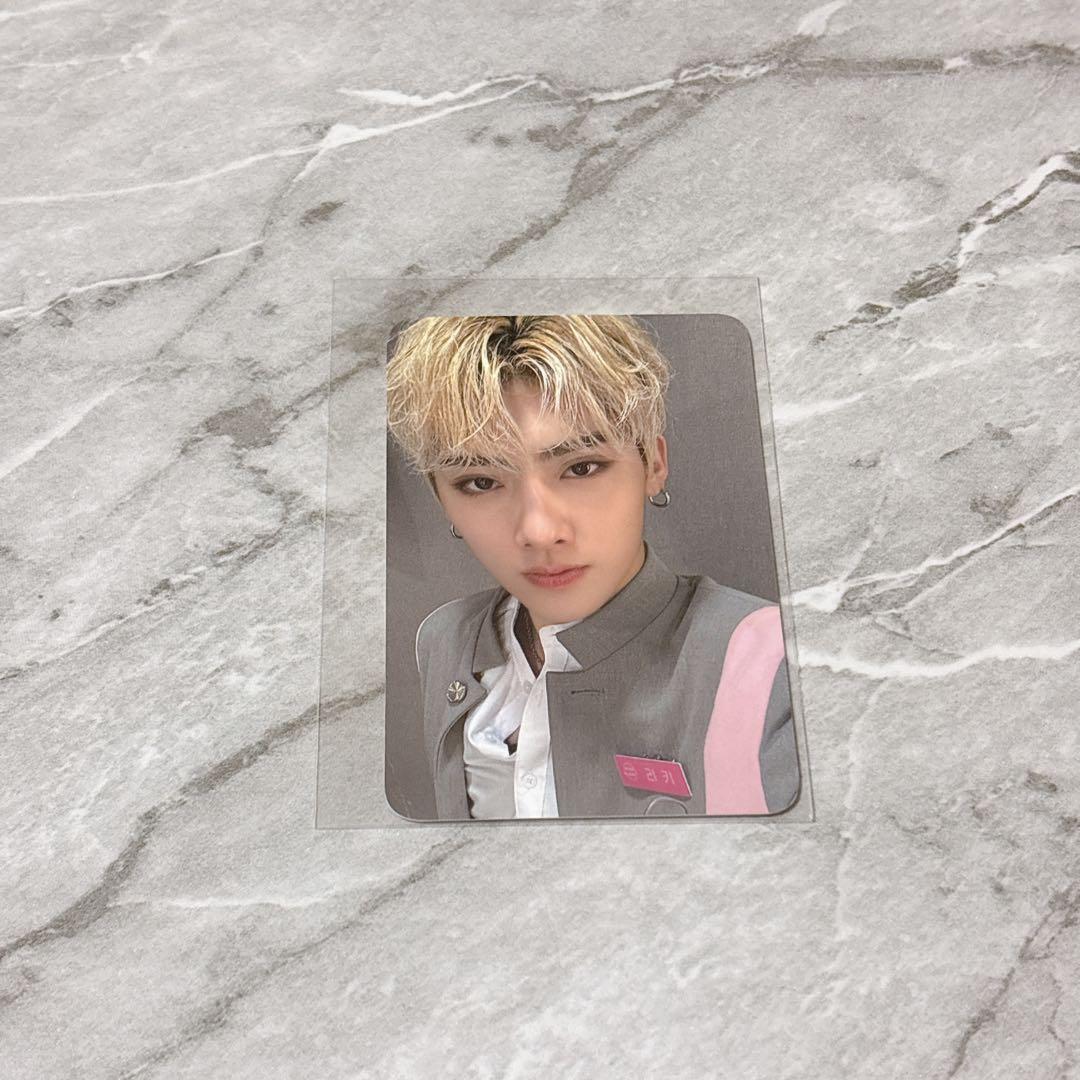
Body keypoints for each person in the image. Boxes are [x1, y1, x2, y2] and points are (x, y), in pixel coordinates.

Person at [385, 314, 799, 820]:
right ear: (441, 499)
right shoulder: (443, 639)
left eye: (581, 468)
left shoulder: (770, 660)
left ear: (653, 465)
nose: (539, 531)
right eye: (481, 482)